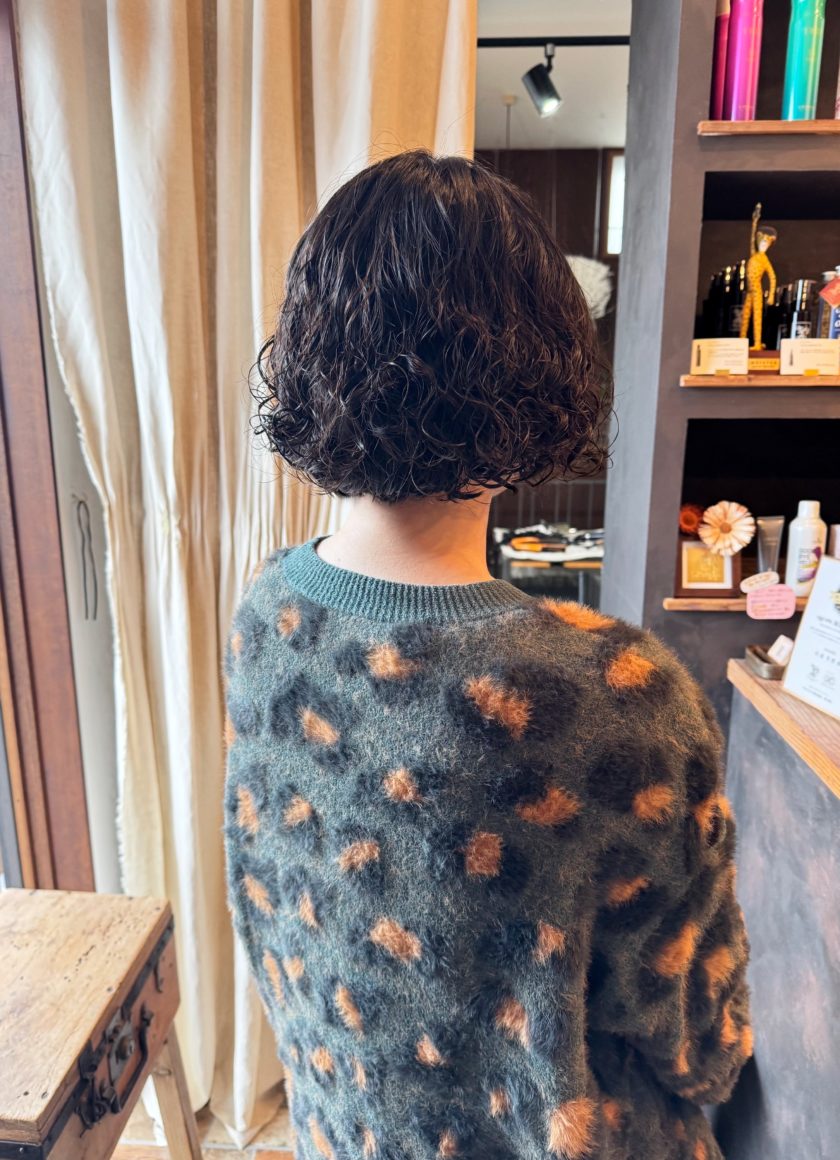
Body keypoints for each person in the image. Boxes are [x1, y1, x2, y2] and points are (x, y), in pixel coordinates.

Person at [222, 150, 751, 1160]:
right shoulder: (618, 698)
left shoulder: (269, 615)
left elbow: (272, 912)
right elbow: (704, 1043)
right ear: (538, 378)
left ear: (309, 358)